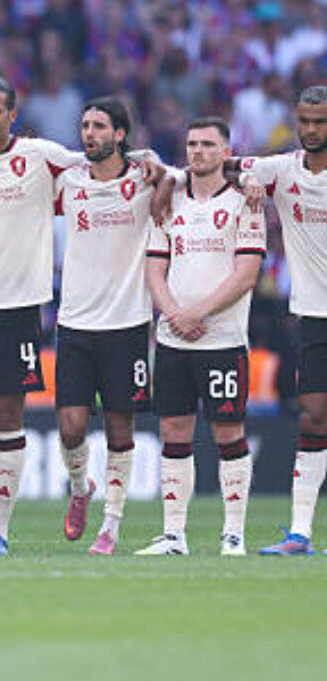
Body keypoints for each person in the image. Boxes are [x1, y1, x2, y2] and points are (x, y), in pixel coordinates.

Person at [0, 75, 158, 556]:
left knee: (6, 419)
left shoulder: (42, 157)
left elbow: (102, 159)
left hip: (19, 311)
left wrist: (151, 161)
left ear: (12, 116)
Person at [137, 118, 265, 557]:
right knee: (173, 430)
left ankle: (234, 534)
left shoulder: (245, 203)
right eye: (191, 144)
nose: (198, 151)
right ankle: (174, 535)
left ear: (226, 152)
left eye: (208, 144)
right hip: (174, 340)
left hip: (223, 340)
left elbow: (246, 275)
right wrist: (174, 314)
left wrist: (197, 312)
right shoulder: (167, 201)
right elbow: (154, 269)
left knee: (228, 432)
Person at [53, 98, 156, 555]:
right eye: (85, 125)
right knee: (71, 427)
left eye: (99, 126)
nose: (89, 133)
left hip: (127, 323)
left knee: (120, 430)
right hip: (74, 321)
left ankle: (110, 527)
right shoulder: (67, 180)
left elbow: (184, 174)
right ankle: (80, 489)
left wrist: (155, 164)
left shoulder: (147, 180)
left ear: (120, 134)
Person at [232, 85, 327, 556]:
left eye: (319, 121)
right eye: (304, 121)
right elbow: (222, 168)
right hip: (313, 316)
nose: (310, 130)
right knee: (313, 417)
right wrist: (244, 180)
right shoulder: (282, 170)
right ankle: (300, 533)